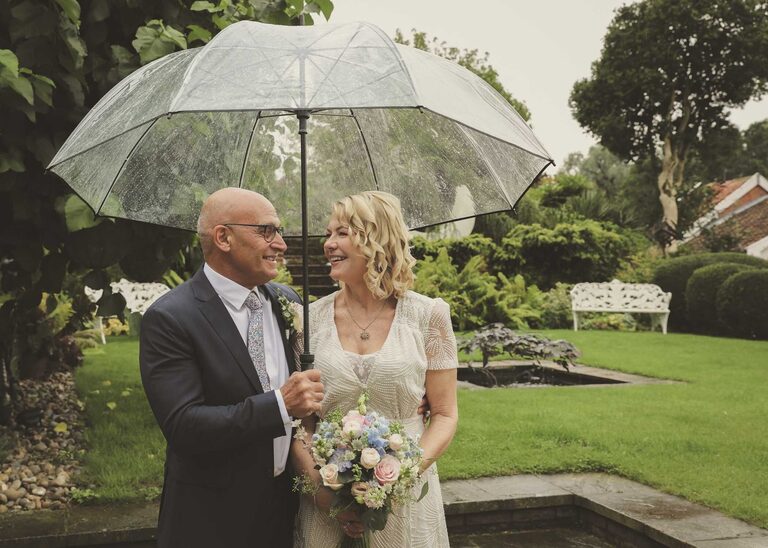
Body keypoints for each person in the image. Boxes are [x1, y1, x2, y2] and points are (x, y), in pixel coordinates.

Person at [139, 188, 324, 548]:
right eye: (267, 231)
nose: (282, 244)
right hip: (212, 519)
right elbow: (185, 426)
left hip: (286, 511)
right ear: (223, 237)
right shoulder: (171, 318)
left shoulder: (287, 302)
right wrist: (280, 405)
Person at [291, 191, 459, 547]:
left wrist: (396, 480)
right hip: (325, 503)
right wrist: (323, 495)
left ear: (376, 240)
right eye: (328, 233)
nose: (328, 244)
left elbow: (444, 415)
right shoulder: (308, 321)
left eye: (342, 233)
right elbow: (299, 424)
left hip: (405, 499)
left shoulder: (428, 316)